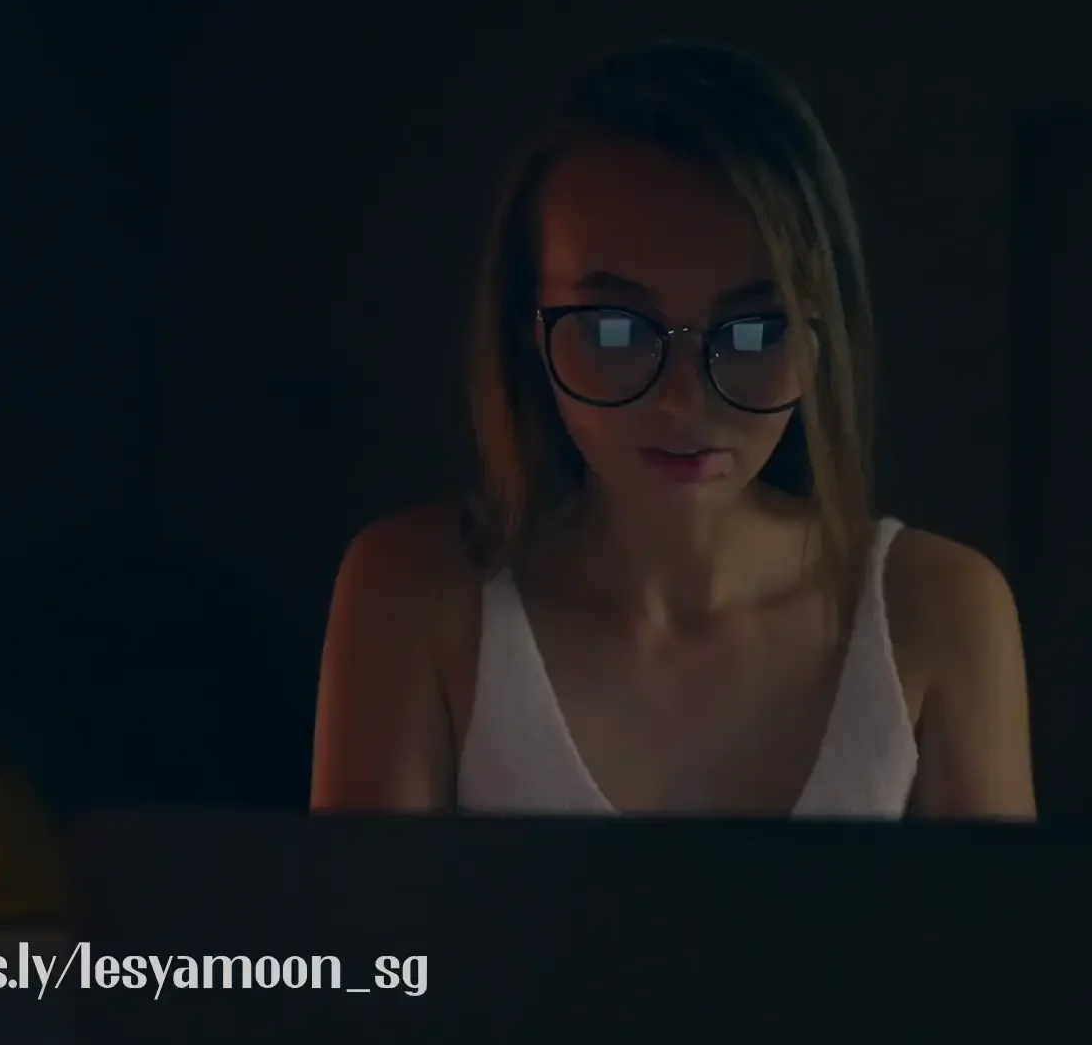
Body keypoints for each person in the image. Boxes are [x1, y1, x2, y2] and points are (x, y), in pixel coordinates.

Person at [310, 43, 1034, 819]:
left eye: (754, 331)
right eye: (616, 329)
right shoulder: (420, 596)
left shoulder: (936, 610)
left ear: (824, 332)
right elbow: (366, 907)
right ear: (529, 328)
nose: (684, 399)